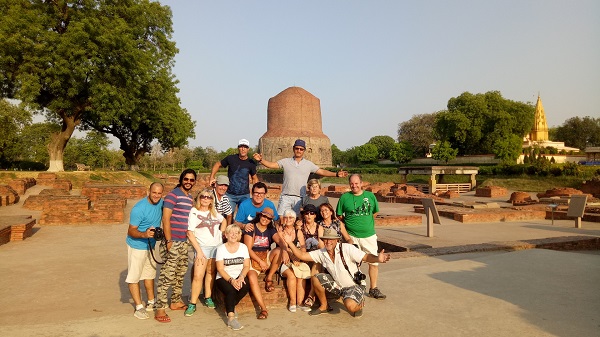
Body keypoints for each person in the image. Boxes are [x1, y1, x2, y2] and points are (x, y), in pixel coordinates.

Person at [281, 227, 391, 317]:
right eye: (326, 239)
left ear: (337, 240)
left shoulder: (347, 248)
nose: (328, 242)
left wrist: (377, 258)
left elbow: (366, 257)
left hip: (353, 285)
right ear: (323, 240)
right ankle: (324, 306)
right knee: (316, 277)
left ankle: (358, 303)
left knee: (350, 307)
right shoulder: (322, 252)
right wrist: (290, 242)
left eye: (331, 239)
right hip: (338, 286)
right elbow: (302, 255)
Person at [253, 139, 347, 215]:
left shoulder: (308, 164)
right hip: (286, 196)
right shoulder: (286, 161)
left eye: (301, 149)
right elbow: (272, 165)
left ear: (304, 151)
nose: (299, 151)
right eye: (297, 148)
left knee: (298, 220)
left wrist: (336, 174)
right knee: (281, 219)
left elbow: (321, 171)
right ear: (293, 149)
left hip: (300, 197)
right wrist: (261, 160)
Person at [155, 169, 196, 323]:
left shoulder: (189, 197)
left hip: (184, 241)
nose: (189, 182)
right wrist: (168, 240)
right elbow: (166, 219)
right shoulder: (173, 195)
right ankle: (160, 308)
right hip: (173, 241)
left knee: (180, 272)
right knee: (167, 274)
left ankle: (175, 301)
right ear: (181, 179)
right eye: (186, 179)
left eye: (192, 180)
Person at [336, 174, 386, 300]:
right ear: (349, 184)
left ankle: (373, 288)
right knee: (351, 262)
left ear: (361, 183)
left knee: (373, 261)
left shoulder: (370, 196)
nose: (354, 186)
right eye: (352, 183)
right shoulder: (345, 198)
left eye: (357, 183)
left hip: (368, 235)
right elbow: (340, 216)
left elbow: (375, 212)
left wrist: (365, 223)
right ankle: (352, 287)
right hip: (351, 235)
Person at [185, 188, 227, 317]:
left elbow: (224, 220)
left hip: (215, 247)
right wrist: (199, 251)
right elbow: (189, 233)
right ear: (199, 198)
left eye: (209, 197)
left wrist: (222, 233)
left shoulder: (214, 213)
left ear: (211, 200)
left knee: (211, 272)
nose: (206, 199)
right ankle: (192, 303)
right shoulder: (194, 212)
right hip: (202, 247)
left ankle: (208, 296)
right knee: (198, 275)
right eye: (203, 196)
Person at [125, 182, 164, 320]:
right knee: (134, 276)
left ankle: (151, 302)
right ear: (149, 191)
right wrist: (144, 234)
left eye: (159, 193)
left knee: (149, 274)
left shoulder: (161, 203)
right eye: (154, 192)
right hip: (137, 245)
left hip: (151, 246)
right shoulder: (139, 208)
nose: (156, 196)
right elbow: (131, 231)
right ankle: (138, 307)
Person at [242, 207, 285, 320]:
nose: (265, 219)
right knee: (251, 277)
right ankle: (263, 308)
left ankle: (269, 278)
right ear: (260, 215)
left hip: (265, 256)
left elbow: (280, 241)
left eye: (268, 217)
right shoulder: (251, 228)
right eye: (264, 216)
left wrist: (284, 249)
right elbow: (248, 249)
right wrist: (260, 261)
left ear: (271, 219)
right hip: (253, 257)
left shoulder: (271, 230)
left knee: (279, 251)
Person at [215, 224, 251, 331]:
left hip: (239, 275)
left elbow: (246, 265)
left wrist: (241, 277)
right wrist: (231, 280)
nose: (234, 235)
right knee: (231, 290)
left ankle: (230, 305)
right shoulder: (221, 249)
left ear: (240, 235)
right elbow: (220, 269)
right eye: (231, 232)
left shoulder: (243, 247)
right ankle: (231, 318)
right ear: (226, 235)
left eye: (237, 233)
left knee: (245, 286)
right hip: (224, 277)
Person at [275, 209, 311, 312]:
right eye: (286, 217)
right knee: (291, 275)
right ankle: (292, 302)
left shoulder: (298, 232)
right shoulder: (280, 231)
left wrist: (299, 258)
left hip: (296, 260)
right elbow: (285, 247)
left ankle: (300, 303)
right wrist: (294, 257)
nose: (288, 219)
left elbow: (303, 247)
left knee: (301, 275)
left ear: (294, 220)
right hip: (284, 260)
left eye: (291, 218)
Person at [210, 139, 258, 214]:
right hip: (230, 194)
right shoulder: (231, 158)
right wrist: (211, 177)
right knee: (227, 215)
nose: (243, 149)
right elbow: (218, 164)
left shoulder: (251, 163)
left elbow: (254, 178)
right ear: (238, 148)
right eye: (241, 147)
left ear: (248, 149)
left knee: (245, 216)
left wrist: (256, 193)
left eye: (245, 147)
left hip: (244, 195)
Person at [297, 203, 324, 308]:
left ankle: (311, 295)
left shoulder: (319, 227)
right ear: (303, 215)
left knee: (316, 264)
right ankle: (303, 299)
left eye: (311, 213)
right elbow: (300, 244)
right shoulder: (300, 227)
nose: (309, 215)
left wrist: (317, 242)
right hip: (303, 254)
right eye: (306, 213)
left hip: (316, 255)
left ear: (315, 215)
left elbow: (322, 246)